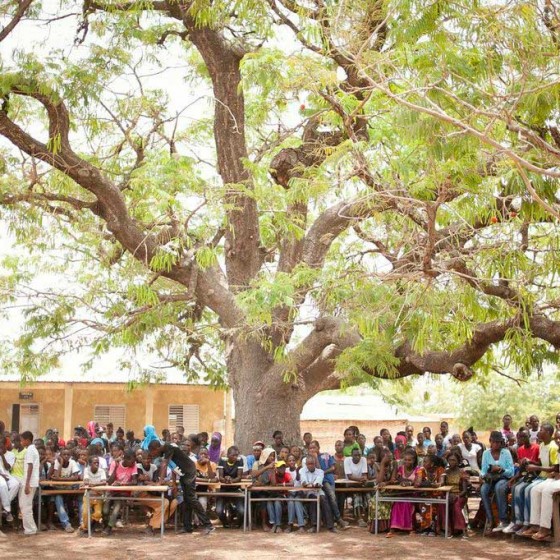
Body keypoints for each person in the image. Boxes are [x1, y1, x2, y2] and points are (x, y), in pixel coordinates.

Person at [148, 440, 214, 534]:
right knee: (186, 500)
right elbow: (173, 466)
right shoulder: (164, 452)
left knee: (191, 499)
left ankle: (208, 525)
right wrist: (174, 482)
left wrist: (160, 481)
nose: (152, 454)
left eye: (152, 452)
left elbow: (164, 464)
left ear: (157, 448)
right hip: (182, 473)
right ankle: (187, 527)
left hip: (189, 472)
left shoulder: (168, 448)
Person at [518, 422, 559, 538]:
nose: (538, 432)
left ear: (548, 433)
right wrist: (531, 462)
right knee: (535, 490)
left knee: (546, 491)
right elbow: (545, 464)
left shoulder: (554, 447)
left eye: (541, 430)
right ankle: (535, 525)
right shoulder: (543, 445)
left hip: (552, 477)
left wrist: (537, 468)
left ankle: (545, 528)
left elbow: (555, 468)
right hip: (551, 477)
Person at [502, 430, 540, 534]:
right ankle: (517, 520)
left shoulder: (536, 447)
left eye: (524, 436)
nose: (522, 439)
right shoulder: (520, 450)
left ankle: (526, 522)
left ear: (529, 436)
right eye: (520, 437)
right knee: (514, 488)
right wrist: (512, 479)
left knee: (522, 489)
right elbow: (521, 469)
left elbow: (539, 465)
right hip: (524, 476)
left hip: (536, 476)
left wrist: (530, 461)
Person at [306, 440, 348, 529]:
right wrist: (316, 459)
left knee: (332, 497)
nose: (312, 450)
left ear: (319, 448)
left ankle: (338, 519)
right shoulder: (309, 460)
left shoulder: (326, 455)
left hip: (327, 480)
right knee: (328, 499)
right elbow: (317, 471)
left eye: (314, 447)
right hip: (318, 483)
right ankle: (336, 520)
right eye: (310, 448)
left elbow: (332, 467)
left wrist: (323, 472)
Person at [480, 431, 514, 534]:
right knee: (483, 490)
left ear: (501, 442)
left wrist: (501, 469)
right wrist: (482, 476)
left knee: (499, 487)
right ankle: (491, 520)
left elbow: (511, 471)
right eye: (494, 442)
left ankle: (503, 520)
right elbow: (483, 470)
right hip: (490, 478)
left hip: (503, 478)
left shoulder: (506, 452)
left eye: (498, 442)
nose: (496, 444)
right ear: (490, 441)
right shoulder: (486, 453)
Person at [102, 449, 139, 535]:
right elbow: (110, 482)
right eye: (132, 461)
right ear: (125, 459)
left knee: (116, 510)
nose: (133, 463)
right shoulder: (115, 464)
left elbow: (134, 482)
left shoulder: (134, 465)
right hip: (112, 491)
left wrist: (122, 484)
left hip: (123, 492)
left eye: (134, 461)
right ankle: (105, 525)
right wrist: (115, 468)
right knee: (105, 510)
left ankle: (109, 528)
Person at [299, 455, 337, 533]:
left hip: (318, 491)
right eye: (308, 464)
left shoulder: (320, 471)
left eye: (312, 463)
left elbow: (318, 483)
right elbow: (304, 482)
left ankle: (330, 526)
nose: (310, 465)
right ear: (306, 464)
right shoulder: (302, 470)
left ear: (315, 463)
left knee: (324, 500)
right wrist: (310, 484)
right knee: (313, 500)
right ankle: (314, 525)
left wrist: (312, 484)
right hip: (308, 492)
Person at [387, 449, 419, 537]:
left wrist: (406, 482)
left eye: (409, 460)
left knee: (407, 503)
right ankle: (393, 528)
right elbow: (397, 479)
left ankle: (410, 528)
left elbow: (416, 481)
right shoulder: (401, 469)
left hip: (413, 494)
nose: (407, 461)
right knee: (397, 504)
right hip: (402, 493)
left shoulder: (418, 469)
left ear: (414, 460)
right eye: (405, 459)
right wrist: (403, 481)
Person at [48, 447, 81, 532]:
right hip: (58, 488)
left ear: (70, 456)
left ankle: (82, 523)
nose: (66, 456)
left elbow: (76, 477)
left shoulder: (73, 462)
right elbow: (56, 475)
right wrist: (61, 463)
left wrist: (59, 479)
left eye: (68, 455)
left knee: (80, 497)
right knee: (58, 499)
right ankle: (66, 524)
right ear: (60, 455)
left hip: (70, 488)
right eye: (64, 455)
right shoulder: (57, 462)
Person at [368, 447, 397, 533]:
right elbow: (379, 481)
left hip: (391, 490)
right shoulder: (377, 465)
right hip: (381, 491)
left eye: (390, 456)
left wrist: (386, 483)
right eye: (386, 457)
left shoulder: (394, 464)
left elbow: (393, 480)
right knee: (373, 501)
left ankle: (386, 526)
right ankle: (377, 527)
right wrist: (383, 465)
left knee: (383, 501)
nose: (389, 459)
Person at [439, 452, 468, 537]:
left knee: (456, 505)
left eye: (454, 460)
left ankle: (462, 529)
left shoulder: (462, 472)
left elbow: (465, 490)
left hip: (460, 495)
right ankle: (447, 529)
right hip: (448, 494)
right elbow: (442, 486)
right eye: (450, 460)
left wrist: (457, 496)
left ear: (458, 461)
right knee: (442, 504)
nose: (452, 462)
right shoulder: (445, 472)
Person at [260, 460, 293, 532]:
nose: (282, 469)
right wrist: (273, 473)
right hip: (274, 494)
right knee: (269, 502)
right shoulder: (273, 474)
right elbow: (274, 483)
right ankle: (274, 523)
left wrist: (281, 485)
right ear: (276, 468)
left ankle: (278, 525)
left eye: (283, 467)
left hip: (283, 495)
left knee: (278, 502)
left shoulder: (287, 474)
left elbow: (291, 483)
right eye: (280, 468)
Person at [216, 446, 245, 528]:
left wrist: (231, 480)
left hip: (236, 489)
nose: (235, 457)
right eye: (233, 455)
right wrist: (225, 479)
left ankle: (238, 524)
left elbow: (239, 477)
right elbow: (220, 477)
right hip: (224, 489)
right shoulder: (222, 460)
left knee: (242, 511)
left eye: (237, 455)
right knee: (218, 511)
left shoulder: (240, 461)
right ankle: (225, 523)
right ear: (228, 455)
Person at [78, 456, 107, 536]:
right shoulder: (86, 470)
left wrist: (93, 484)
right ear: (90, 464)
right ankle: (86, 528)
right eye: (95, 462)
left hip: (98, 495)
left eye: (98, 462)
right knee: (85, 513)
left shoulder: (101, 471)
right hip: (88, 495)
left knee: (98, 514)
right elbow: (86, 481)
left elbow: (104, 482)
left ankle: (86, 526)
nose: (97, 464)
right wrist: (95, 484)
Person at [18, 431, 40, 536]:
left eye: (22, 440)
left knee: (25, 506)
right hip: (31, 481)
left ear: (27, 440)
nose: (21, 442)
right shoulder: (32, 449)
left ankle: (30, 530)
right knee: (25, 505)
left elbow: (30, 467)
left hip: (30, 482)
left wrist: (27, 484)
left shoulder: (30, 450)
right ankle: (31, 528)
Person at [344, 447, 368, 527]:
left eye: (359, 455)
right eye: (355, 455)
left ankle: (368, 518)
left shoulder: (363, 459)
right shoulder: (347, 460)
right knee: (357, 496)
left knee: (368, 496)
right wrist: (360, 480)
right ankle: (359, 518)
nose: (357, 457)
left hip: (361, 485)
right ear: (351, 455)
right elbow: (349, 477)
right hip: (350, 486)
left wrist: (361, 480)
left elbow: (364, 475)